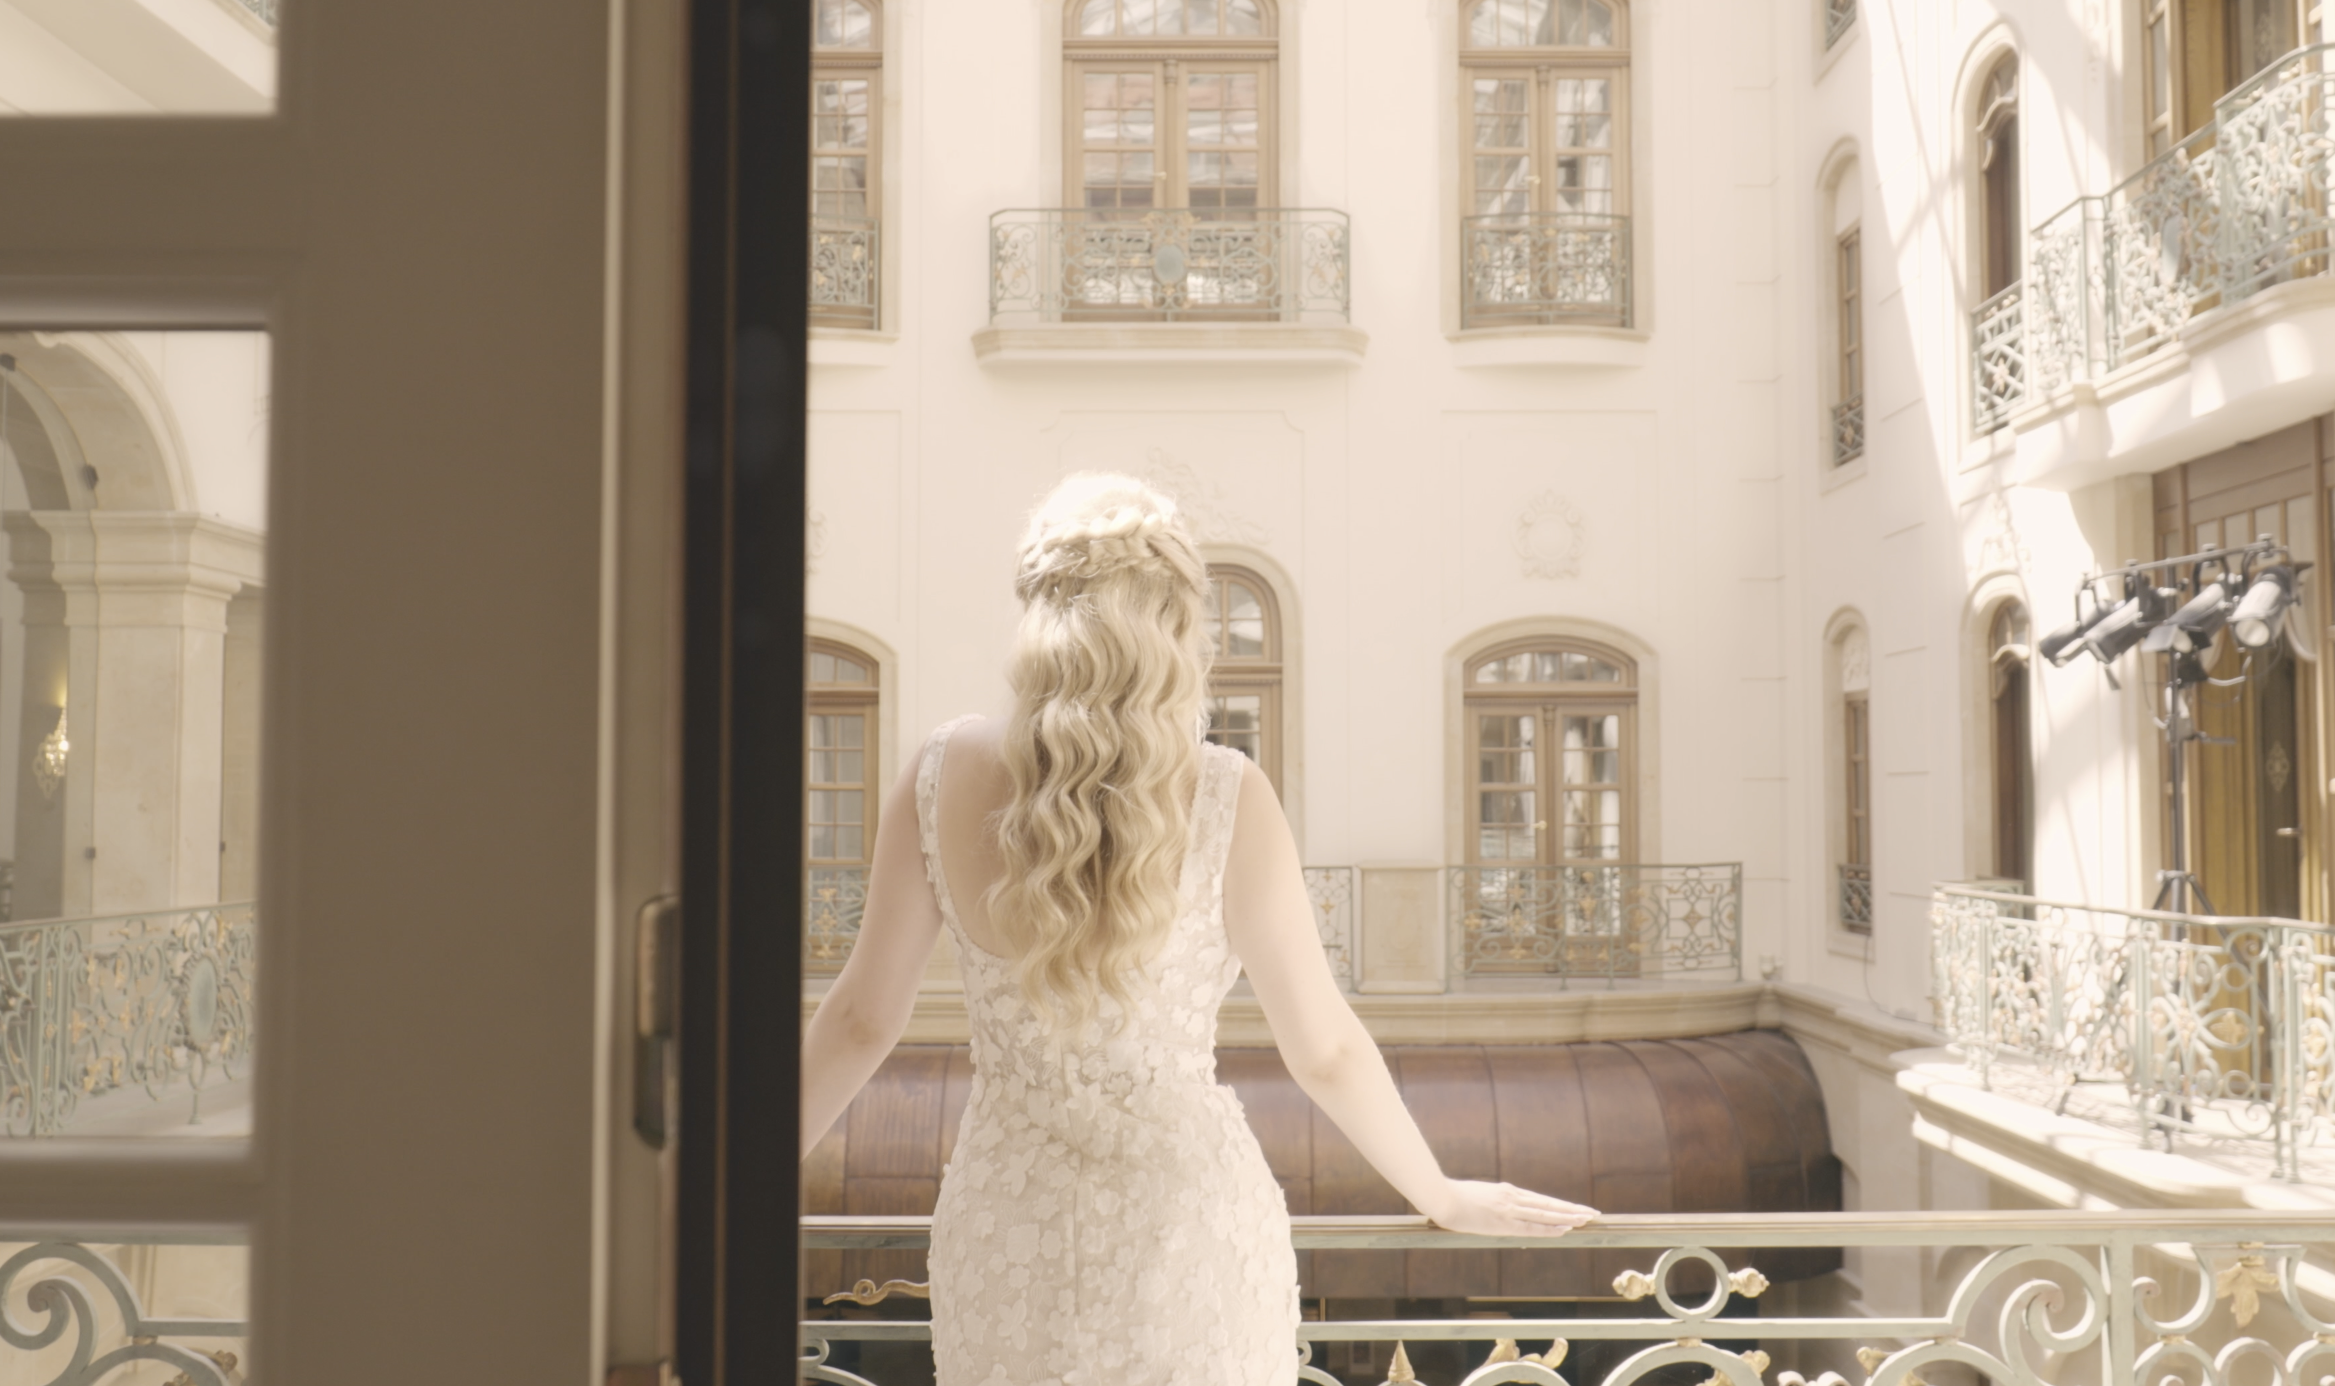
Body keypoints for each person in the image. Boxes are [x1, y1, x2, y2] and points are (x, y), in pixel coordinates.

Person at [800, 473, 1597, 1386]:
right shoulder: (1226, 794)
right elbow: (1324, 1047)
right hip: (1190, 1232)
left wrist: (740, 1181)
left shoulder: (938, 775)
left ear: (1035, 618)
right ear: (1179, 625)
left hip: (1007, 1228)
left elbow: (861, 1019)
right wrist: (1438, 1192)